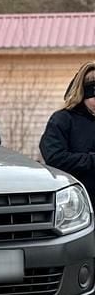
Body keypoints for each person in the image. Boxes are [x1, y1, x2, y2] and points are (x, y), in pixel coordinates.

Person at [39, 61, 95, 209]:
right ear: (83, 93)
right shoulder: (62, 120)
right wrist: (92, 160)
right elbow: (55, 158)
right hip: (74, 206)